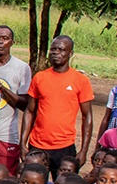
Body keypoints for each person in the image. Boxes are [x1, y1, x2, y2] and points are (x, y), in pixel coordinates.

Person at [20, 35, 93, 172]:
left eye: (61, 50)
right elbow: (30, 111)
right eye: (53, 49)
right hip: (37, 145)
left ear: (70, 53)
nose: (56, 53)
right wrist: (22, 143)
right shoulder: (40, 78)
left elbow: (87, 116)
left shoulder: (80, 80)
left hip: (64, 146)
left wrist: (84, 150)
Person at [0, 26, 32, 175]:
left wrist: (4, 90)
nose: (0, 42)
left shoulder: (21, 68)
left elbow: (25, 105)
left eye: (5, 39)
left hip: (7, 136)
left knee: (5, 179)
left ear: (12, 42)